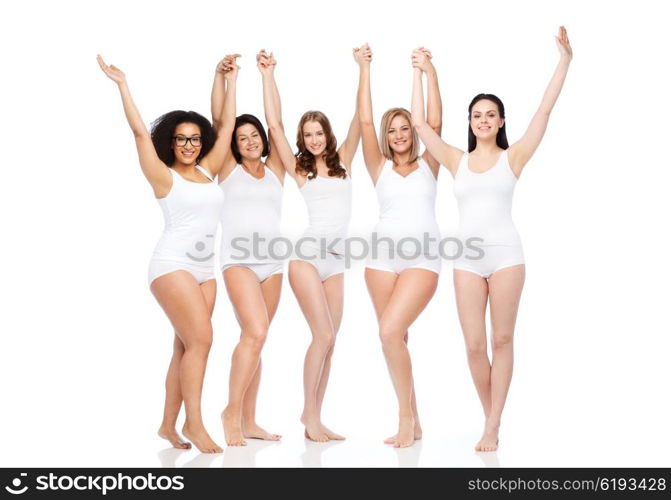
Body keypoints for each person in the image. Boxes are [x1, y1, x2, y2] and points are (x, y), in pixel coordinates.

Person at [411, 27, 572, 451]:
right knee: (474, 345)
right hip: (465, 259)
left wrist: (564, 61)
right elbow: (417, 124)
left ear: (500, 122)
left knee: (502, 339)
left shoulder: (512, 157)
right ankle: (492, 418)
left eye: (490, 115)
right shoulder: (455, 160)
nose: (482, 120)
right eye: (476, 115)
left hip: (506, 257)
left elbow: (543, 111)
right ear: (470, 122)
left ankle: (492, 425)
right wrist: (425, 73)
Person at [97, 54, 235, 453]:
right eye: (181, 139)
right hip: (171, 264)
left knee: (186, 346)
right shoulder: (163, 174)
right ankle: (194, 422)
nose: (189, 145)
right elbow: (140, 134)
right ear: (171, 143)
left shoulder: (208, 170)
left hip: (204, 271)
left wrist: (223, 76)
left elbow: (226, 126)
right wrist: (123, 85)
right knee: (203, 340)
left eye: (194, 138)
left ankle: (166, 426)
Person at [257, 50, 360, 442]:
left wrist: (363, 69)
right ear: (303, 140)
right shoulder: (300, 169)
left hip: (337, 263)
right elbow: (275, 126)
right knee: (324, 336)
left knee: (331, 342)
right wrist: (268, 75)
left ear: (327, 135)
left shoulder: (345, 161)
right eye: (308, 135)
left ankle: (314, 417)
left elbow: (361, 119)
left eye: (319, 133)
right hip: (307, 258)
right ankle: (307, 413)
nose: (314, 139)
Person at [355, 44, 443, 448]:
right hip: (380, 259)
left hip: (422, 259)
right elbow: (367, 121)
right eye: (393, 130)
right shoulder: (379, 166)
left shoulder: (431, 162)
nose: (399, 134)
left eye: (405, 128)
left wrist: (426, 72)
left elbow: (434, 121)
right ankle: (416, 421)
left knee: (390, 331)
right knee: (396, 338)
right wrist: (364, 68)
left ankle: (405, 419)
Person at [212, 54, 284, 446]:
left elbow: (277, 122)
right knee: (254, 332)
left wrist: (268, 76)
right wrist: (230, 80)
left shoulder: (276, 169)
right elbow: (221, 124)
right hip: (238, 261)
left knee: (255, 337)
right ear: (235, 146)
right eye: (242, 138)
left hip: (273, 265)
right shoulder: (227, 168)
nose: (250, 140)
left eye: (253, 134)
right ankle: (231, 412)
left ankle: (250, 420)